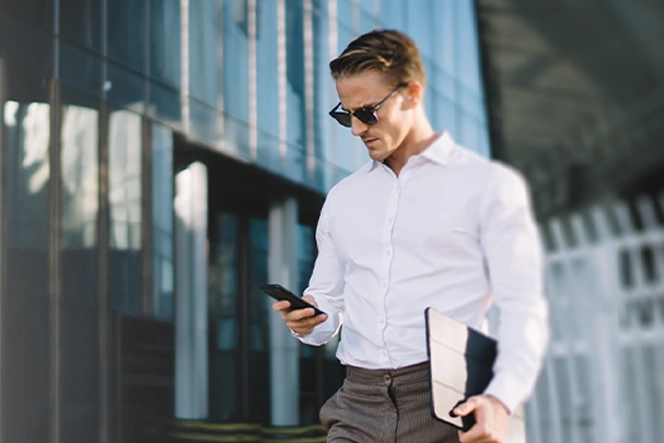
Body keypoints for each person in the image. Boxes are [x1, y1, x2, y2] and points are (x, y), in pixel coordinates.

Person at [272, 29, 548, 443]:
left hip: (450, 401)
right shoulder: (343, 198)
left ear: (411, 95)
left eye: (367, 112)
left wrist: (501, 398)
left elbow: (524, 309)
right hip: (358, 403)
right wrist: (308, 318)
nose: (356, 129)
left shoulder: (487, 186)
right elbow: (327, 306)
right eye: (346, 114)